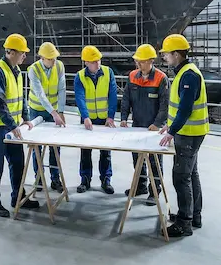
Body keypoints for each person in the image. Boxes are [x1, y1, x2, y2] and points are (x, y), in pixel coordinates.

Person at [157, 33, 209, 237]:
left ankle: (184, 223)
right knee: (191, 174)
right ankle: (193, 215)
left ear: (177, 54)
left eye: (167, 54)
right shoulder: (185, 72)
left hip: (188, 134)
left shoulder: (188, 75)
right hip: (189, 132)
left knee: (181, 178)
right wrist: (169, 125)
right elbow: (179, 108)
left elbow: (186, 109)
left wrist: (171, 131)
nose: (165, 58)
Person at [0, 33, 41, 217]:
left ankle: (18, 198)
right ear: (11, 52)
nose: (25, 55)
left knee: (17, 164)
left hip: (12, 126)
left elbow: (20, 97)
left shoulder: (16, 70)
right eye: (22, 52)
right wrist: (12, 125)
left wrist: (24, 117)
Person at [120, 43, 168, 202]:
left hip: (154, 128)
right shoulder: (133, 76)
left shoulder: (161, 78)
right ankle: (140, 185)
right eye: (137, 61)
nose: (138, 64)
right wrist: (123, 118)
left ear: (150, 61)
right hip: (137, 125)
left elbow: (165, 105)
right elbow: (126, 98)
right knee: (137, 158)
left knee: (155, 160)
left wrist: (157, 124)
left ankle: (155, 191)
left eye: (141, 61)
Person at [74, 45, 118, 194]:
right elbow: (80, 98)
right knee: (85, 150)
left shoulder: (108, 72)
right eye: (93, 61)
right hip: (88, 120)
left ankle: (106, 180)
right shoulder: (80, 76)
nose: (97, 63)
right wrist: (85, 117)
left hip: (104, 119)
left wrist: (111, 116)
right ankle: (85, 179)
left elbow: (113, 95)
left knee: (105, 151)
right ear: (86, 62)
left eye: (98, 60)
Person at [27, 42, 67, 192]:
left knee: (55, 146)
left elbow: (62, 89)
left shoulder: (59, 66)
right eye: (50, 59)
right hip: (37, 110)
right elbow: (40, 95)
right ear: (42, 57)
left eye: (54, 58)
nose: (53, 61)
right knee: (37, 146)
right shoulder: (34, 70)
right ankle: (39, 179)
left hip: (54, 111)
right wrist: (54, 113)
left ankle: (55, 179)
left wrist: (61, 111)